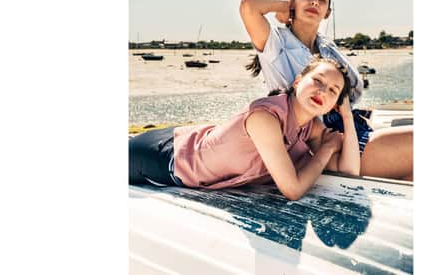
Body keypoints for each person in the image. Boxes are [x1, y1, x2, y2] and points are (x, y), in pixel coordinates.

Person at [239, 0, 413, 180]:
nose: (314, 1)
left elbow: (354, 89)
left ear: (327, 12)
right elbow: (249, 6)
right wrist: (286, 7)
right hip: (319, 143)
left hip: (350, 129)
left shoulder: (326, 46)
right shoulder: (276, 44)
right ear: (294, 0)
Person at [129, 57, 360, 201]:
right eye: (318, 81)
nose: (322, 91)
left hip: (190, 140)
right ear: (298, 82)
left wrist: (347, 117)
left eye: (333, 91)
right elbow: (293, 190)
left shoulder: (310, 127)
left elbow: (348, 172)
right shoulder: (265, 118)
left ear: (336, 103)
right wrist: (325, 150)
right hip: (162, 157)